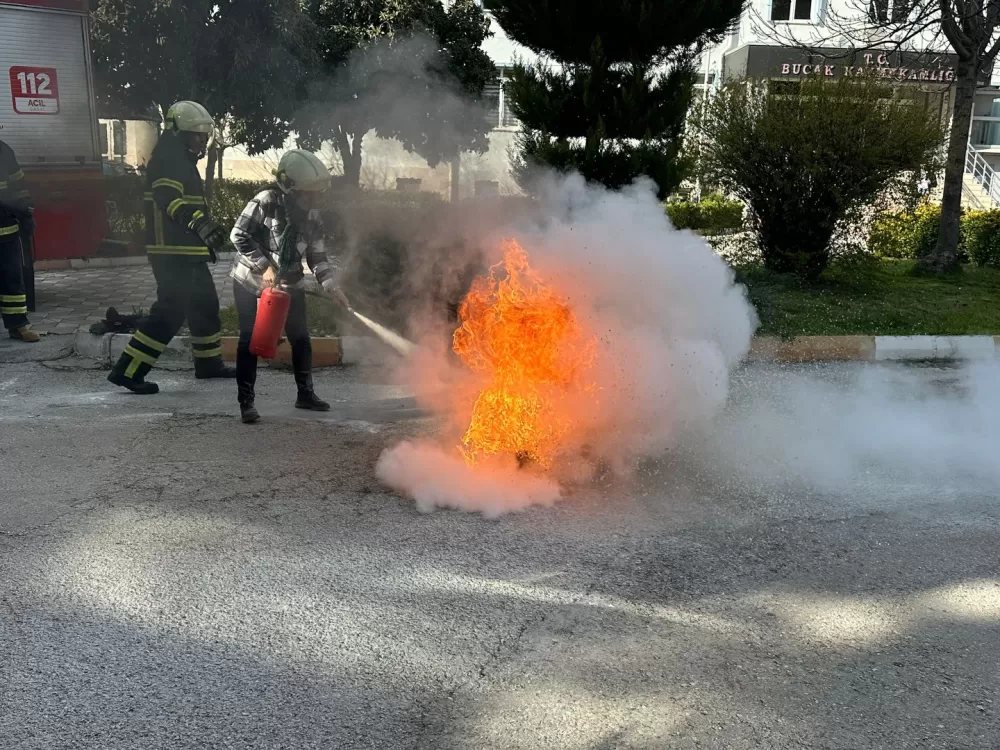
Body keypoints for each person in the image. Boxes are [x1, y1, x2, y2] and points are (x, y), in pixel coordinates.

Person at [107, 101, 235, 394]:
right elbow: (168, 199)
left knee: (205, 305)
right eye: (197, 134)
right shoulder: (168, 159)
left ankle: (208, 364)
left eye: (204, 135)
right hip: (172, 253)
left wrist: (200, 230)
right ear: (179, 133)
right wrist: (199, 223)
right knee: (170, 312)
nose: (203, 140)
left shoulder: (181, 158)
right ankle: (127, 371)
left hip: (187, 251)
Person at [229, 149, 349, 424]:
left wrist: (332, 287)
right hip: (251, 283)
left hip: (289, 284)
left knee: (301, 338)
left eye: (317, 194)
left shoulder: (312, 217)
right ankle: (246, 402)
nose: (314, 199)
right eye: (308, 193)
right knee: (250, 340)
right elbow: (238, 234)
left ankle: (305, 394)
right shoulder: (266, 201)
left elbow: (317, 257)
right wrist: (265, 266)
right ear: (289, 188)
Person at [0, 139, 38, 343]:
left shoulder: (3, 150)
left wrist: (26, 214)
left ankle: (18, 325)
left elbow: (19, 185)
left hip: (6, 229)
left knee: (13, 280)